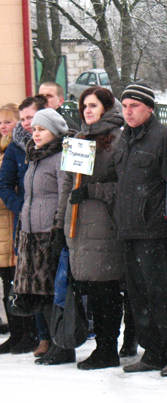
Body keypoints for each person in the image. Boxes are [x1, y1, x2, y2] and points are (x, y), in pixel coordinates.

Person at [114, 83, 167, 377]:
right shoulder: (124, 139)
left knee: (164, 294)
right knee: (139, 296)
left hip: (156, 230)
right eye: (124, 106)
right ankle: (153, 351)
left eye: (134, 106)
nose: (128, 112)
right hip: (129, 230)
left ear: (149, 108)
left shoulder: (162, 138)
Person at [56, 87, 126, 370]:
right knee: (92, 290)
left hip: (104, 227)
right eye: (84, 105)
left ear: (107, 108)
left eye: (93, 105)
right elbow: (67, 184)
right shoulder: (78, 139)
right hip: (79, 227)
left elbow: (125, 186)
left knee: (105, 290)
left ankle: (109, 347)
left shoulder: (118, 140)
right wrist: (59, 222)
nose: (87, 110)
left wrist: (93, 190)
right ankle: (103, 345)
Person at [13, 108, 74, 365]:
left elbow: (64, 195)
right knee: (40, 293)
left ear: (55, 131)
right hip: (30, 234)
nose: (36, 133)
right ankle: (49, 340)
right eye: (34, 129)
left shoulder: (61, 156)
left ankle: (62, 345)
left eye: (42, 129)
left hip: (49, 234)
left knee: (53, 292)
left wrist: (58, 228)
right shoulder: (34, 158)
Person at [0, 95, 47, 355]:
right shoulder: (16, 148)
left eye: (32, 117)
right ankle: (33, 335)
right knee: (27, 282)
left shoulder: (57, 141)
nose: (27, 123)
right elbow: (5, 184)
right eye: (24, 119)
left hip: (51, 221)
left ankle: (53, 335)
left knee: (50, 281)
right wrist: (23, 207)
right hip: (24, 224)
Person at [0, 104, 21, 344]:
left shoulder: (12, 151)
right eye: (0, 122)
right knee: (9, 282)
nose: (3, 126)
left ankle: (22, 332)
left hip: (10, 222)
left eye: (8, 121)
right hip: (4, 226)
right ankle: (17, 332)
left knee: (13, 280)